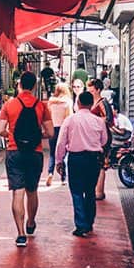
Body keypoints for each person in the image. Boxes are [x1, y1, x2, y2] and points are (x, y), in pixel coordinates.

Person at [0, 71, 53, 247]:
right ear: (35, 86)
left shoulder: (9, 104)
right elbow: (50, 133)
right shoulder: (41, 106)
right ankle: (30, 223)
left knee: (18, 192)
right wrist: (36, 136)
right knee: (32, 191)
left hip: (14, 151)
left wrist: (11, 135)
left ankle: (21, 234)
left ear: (19, 85)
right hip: (34, 153)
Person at [55, 91, 108, 237]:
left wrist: (59, 161)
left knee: (77, 192)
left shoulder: (70, 120)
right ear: (91, 104)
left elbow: (61, 143)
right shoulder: (99, 121)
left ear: (78, 104)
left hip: (76, 159)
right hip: (93, 159)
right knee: (90, 191)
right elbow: (104, 141)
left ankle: (81, 225)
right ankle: (89, 222)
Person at [87, 77, 113, 200]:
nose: (90, 93)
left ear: (98, 90)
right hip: (96, 137)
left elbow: (108, 119)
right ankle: (97, 190)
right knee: (97, 163)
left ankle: (99, 191)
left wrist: (94, 121)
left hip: (103, 136)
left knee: (102, 163)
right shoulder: (94, 103)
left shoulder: (103, 102)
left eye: (92, 91)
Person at [46, 81, 73, 186]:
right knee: (64, 154)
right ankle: (63, 178)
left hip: (53, 128)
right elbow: (69, 117)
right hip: (63, 129)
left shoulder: (51, 102)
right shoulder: (68, 102)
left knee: (52, 153)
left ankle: (50, 173)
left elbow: (48, 116)